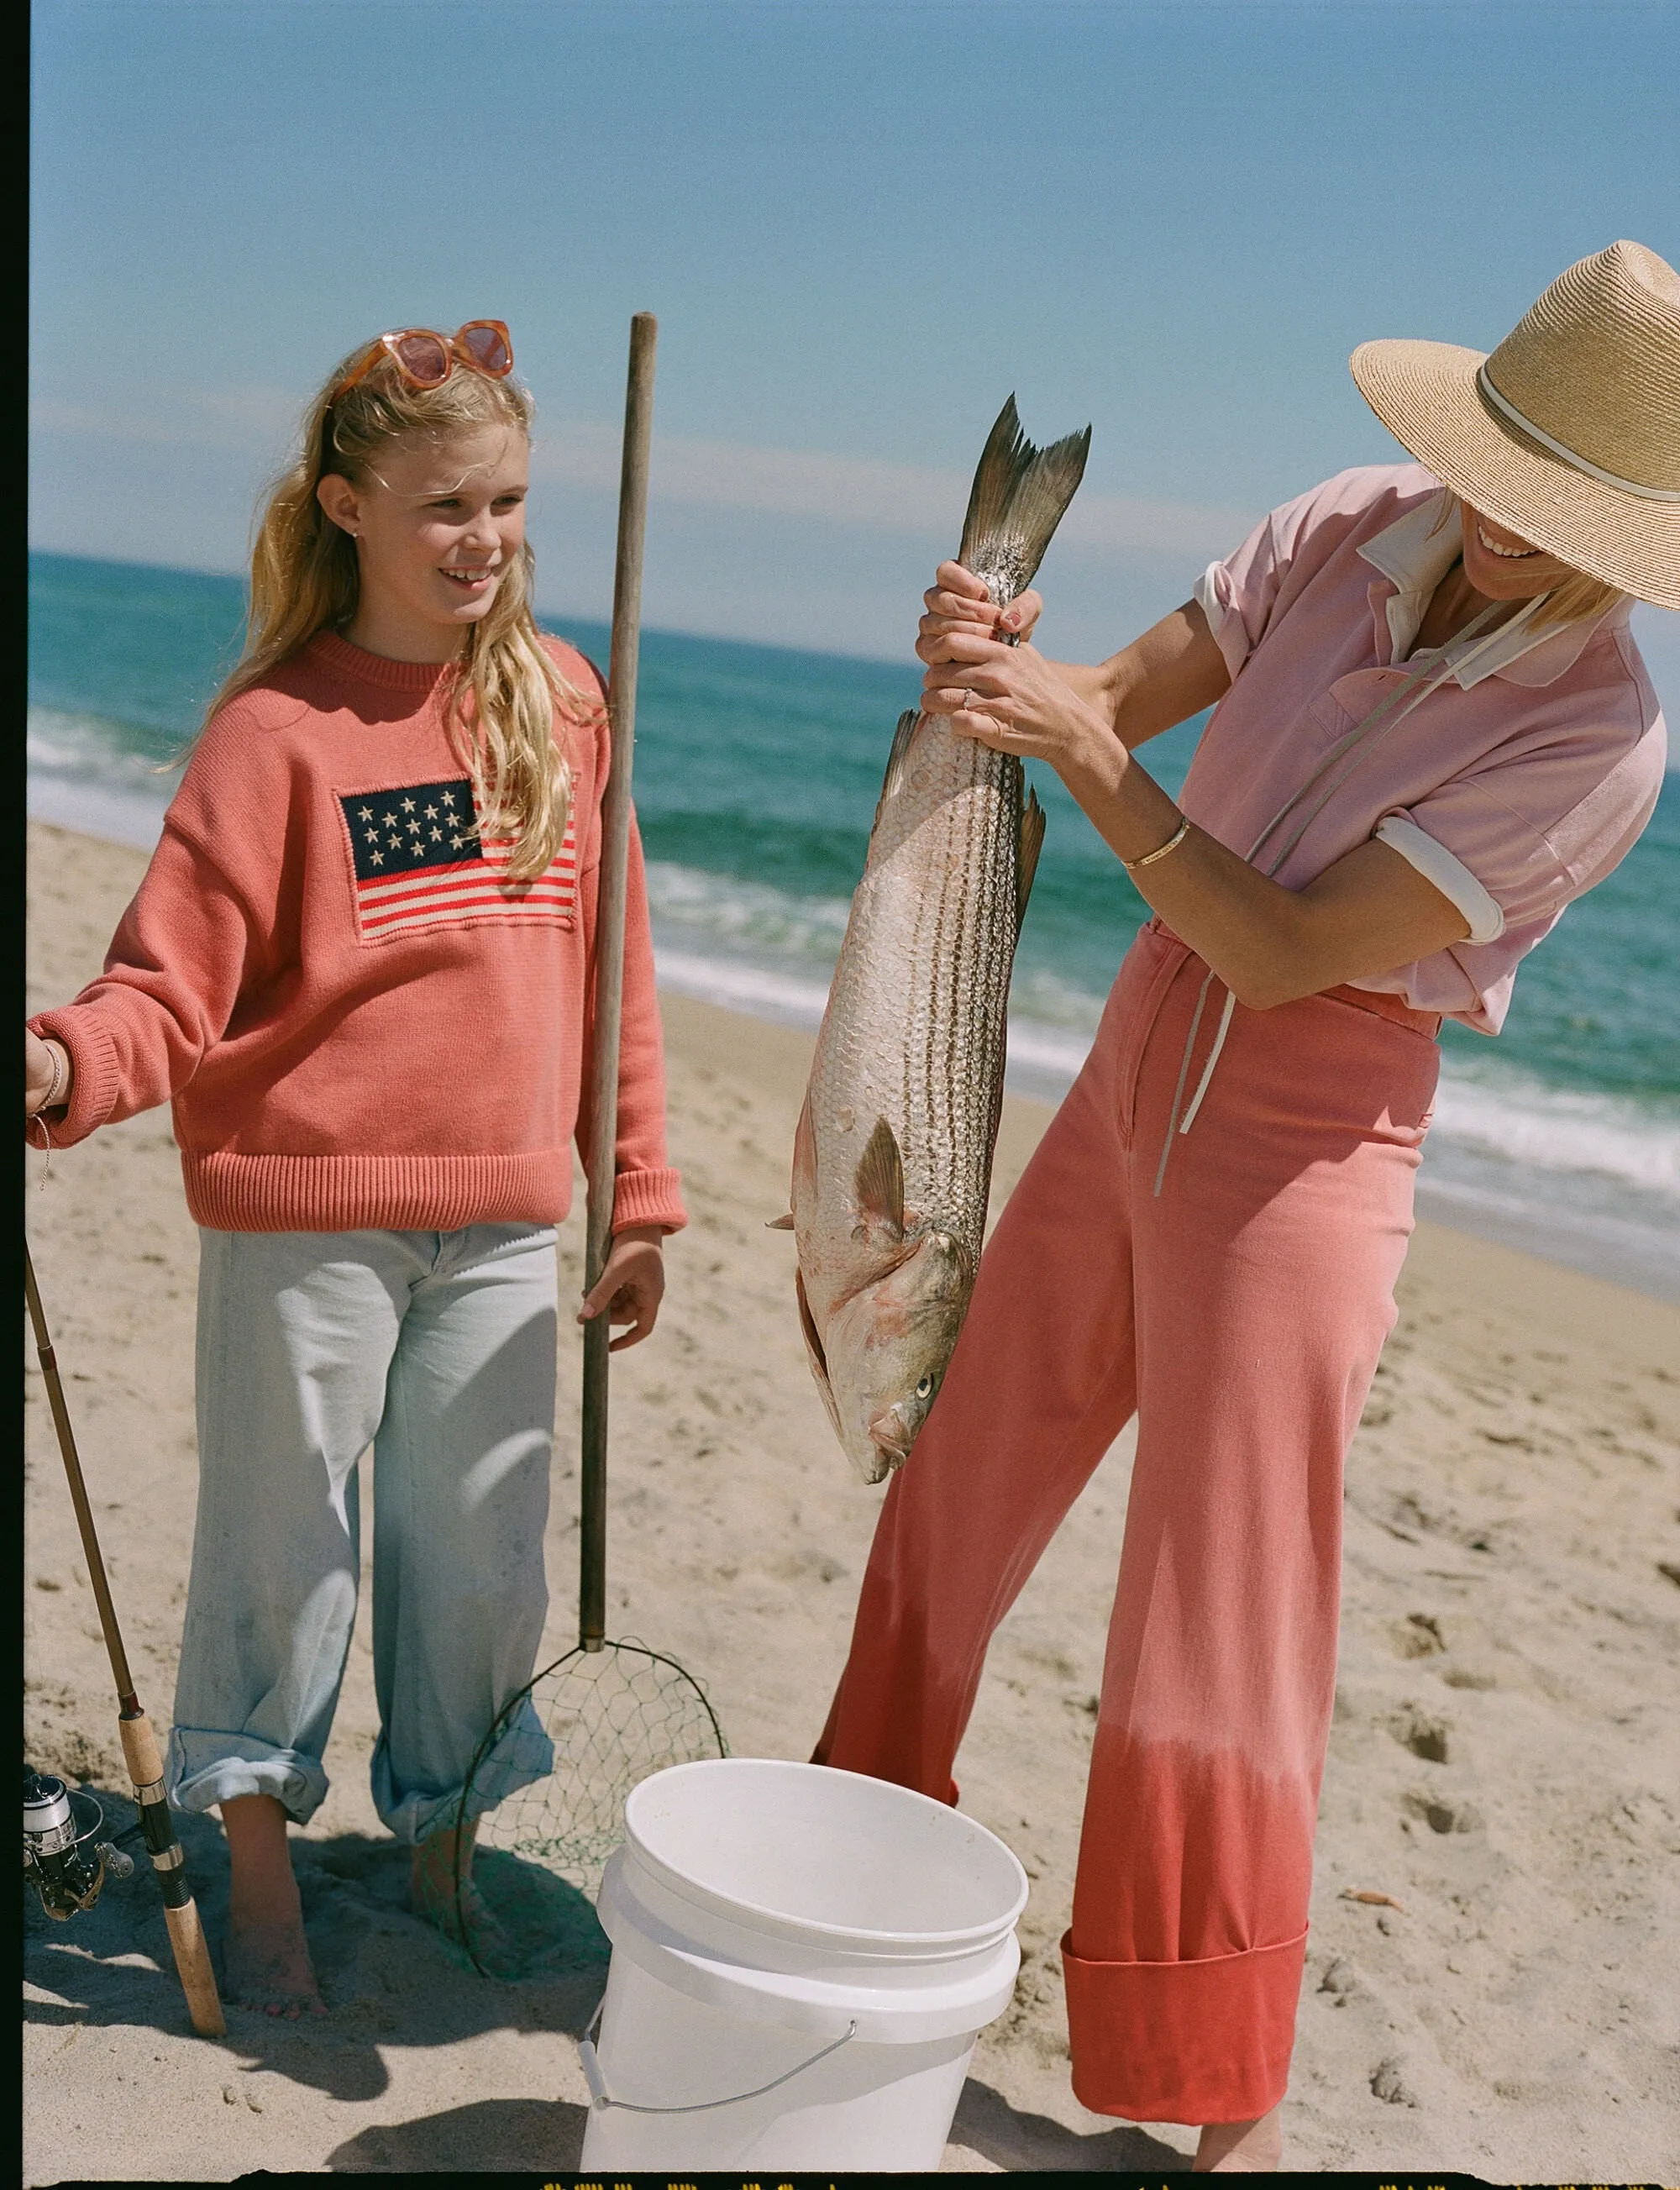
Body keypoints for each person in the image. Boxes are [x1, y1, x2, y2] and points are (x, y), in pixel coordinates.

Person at [813, 239, 1676, 2168]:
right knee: (949, 1483)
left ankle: (1212, 2110)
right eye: (1493, 465)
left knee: (1216, 1616)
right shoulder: (1351, 524)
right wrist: (989, 653)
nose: (1497, 524)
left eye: (1554, 507)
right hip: (1134, 1056)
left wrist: (1104, 763)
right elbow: (1103, 692)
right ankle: (846, 1896)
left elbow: (1286, 949)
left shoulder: (1599, 735)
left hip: (1306, 1123)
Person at [24, 321, 685, 2016]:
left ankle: (442, 1849)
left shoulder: (563, 701)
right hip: (308, 1224)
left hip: (502, 1222)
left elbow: (615, 966)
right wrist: (65, 1064)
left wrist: (639, 1195)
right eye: (445, 505)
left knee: (479, 1559)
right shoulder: (278, 730)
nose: (485, 538)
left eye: (511, 503)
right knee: (285, 1545)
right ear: (347, 507)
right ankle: (255, 1864)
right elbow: (171, 982)